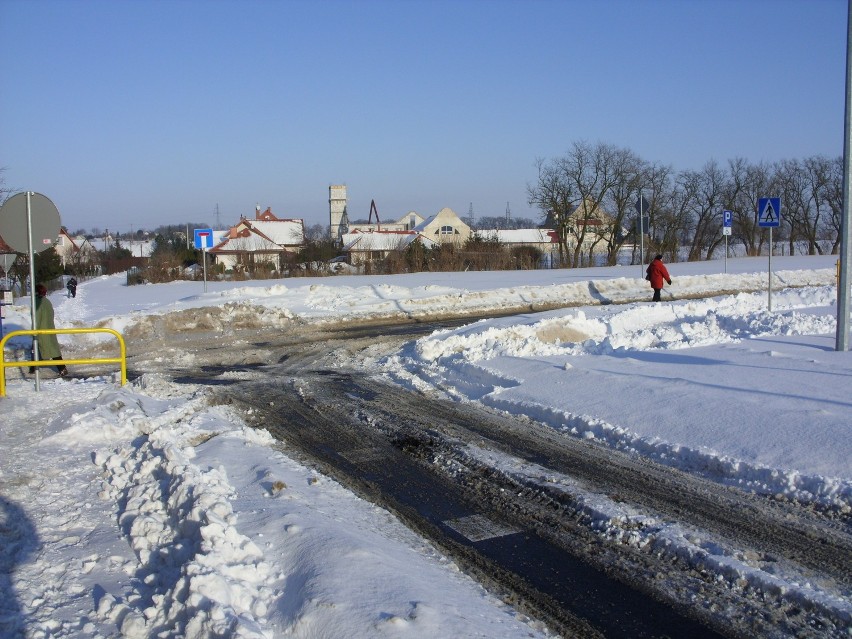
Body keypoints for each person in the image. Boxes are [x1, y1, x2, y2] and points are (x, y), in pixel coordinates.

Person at [30, 283, 68, 377]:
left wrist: (34, 330)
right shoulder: (47, 301)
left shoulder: (37, 302)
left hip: (41, 330)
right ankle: (33, 367)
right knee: (48, 349)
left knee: (44, 349)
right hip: (49, 327)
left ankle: (62, 368)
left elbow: (36, 317)